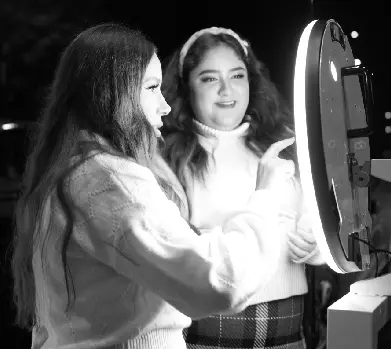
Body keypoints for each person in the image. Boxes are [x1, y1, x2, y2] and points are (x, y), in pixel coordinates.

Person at [11, 23, 298, 349]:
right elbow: (219, 283)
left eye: (237, 76)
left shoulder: (77, 172)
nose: (164, 105)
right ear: (113, 93)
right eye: (151, 88)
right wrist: (263, 197)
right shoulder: (111, 181)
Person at [161, 27, 325, 349]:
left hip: (289, 328)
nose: (227, 90)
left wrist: (315, 245)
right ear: (186, 89)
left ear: (252, 81)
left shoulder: (285, 143)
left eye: (237, 75)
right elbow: (174, 255)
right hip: (205, 328)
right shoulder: (170, 158)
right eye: (209, 78)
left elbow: (321, 222)